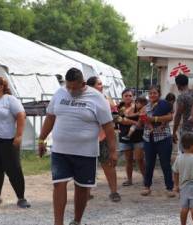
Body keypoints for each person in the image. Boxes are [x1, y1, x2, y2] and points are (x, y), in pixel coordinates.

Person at [38, 68, 117, 225]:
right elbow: (50, 117)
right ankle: (58, 222)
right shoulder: (60, 93)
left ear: (83, 83)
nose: (71, 91)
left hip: (85, 153)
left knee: (82, 188)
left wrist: (113, 151)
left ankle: (76, 220)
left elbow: (108, 126)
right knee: (58, 184)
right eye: (69, 87)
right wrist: (41, 140)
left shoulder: (97, 98)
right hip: (60, 150)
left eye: (75, 87)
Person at [0, 76, 30, 208]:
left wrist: (19, 136)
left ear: (1, 86)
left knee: (14, 169)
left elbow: (21, 115)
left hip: (8, 140)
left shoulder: (10, 100)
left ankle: (21, 198)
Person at [86, 76, 120, 202]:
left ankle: (114, 191)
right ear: (91, 86)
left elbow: (116, 115)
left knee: (108, 165)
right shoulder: (85, 99)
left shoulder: (106, 99)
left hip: (105, 136)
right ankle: (86, 192)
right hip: (89, 137)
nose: (101, 86)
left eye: (101, 84)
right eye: (99, 84)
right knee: (88, 166)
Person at [141, 86, 175, 197]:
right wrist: (150, 125)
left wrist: (155, 119)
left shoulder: (164, 105)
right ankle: (147, 186)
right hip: (148, 138)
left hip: (163, 137)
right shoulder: (145, 107)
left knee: (165, 163)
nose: (152, 95)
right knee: (149, 163)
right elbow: (143, 118)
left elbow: (170, 117)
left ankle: (169, 188)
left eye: (154, 93)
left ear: (159, 94)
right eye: (150, 93)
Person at [173, 132, 193, 225]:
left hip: (183, 187)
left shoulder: (178, 158)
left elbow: (175, 173)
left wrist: (176, 185)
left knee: (184, 208)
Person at [116, 89, 145, 186]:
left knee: (139, 159)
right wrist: (134, 122)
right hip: (125, 137)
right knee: (128, 160)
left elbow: (142, 118)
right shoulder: (120, 107)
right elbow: (118, 119)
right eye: (126, 95)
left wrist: (126, 120)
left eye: (130, 95)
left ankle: (146, 179)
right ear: (122, 97)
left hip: (138, 137)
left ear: (133, 97)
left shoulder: (138, 106)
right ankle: (129, 180)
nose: (128, 97)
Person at [172, 74, 193, 153]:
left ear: (178, 85)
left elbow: (178, 115)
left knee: (185, 154)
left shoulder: (182, 97)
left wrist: (174, 131)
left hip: (187, 129)